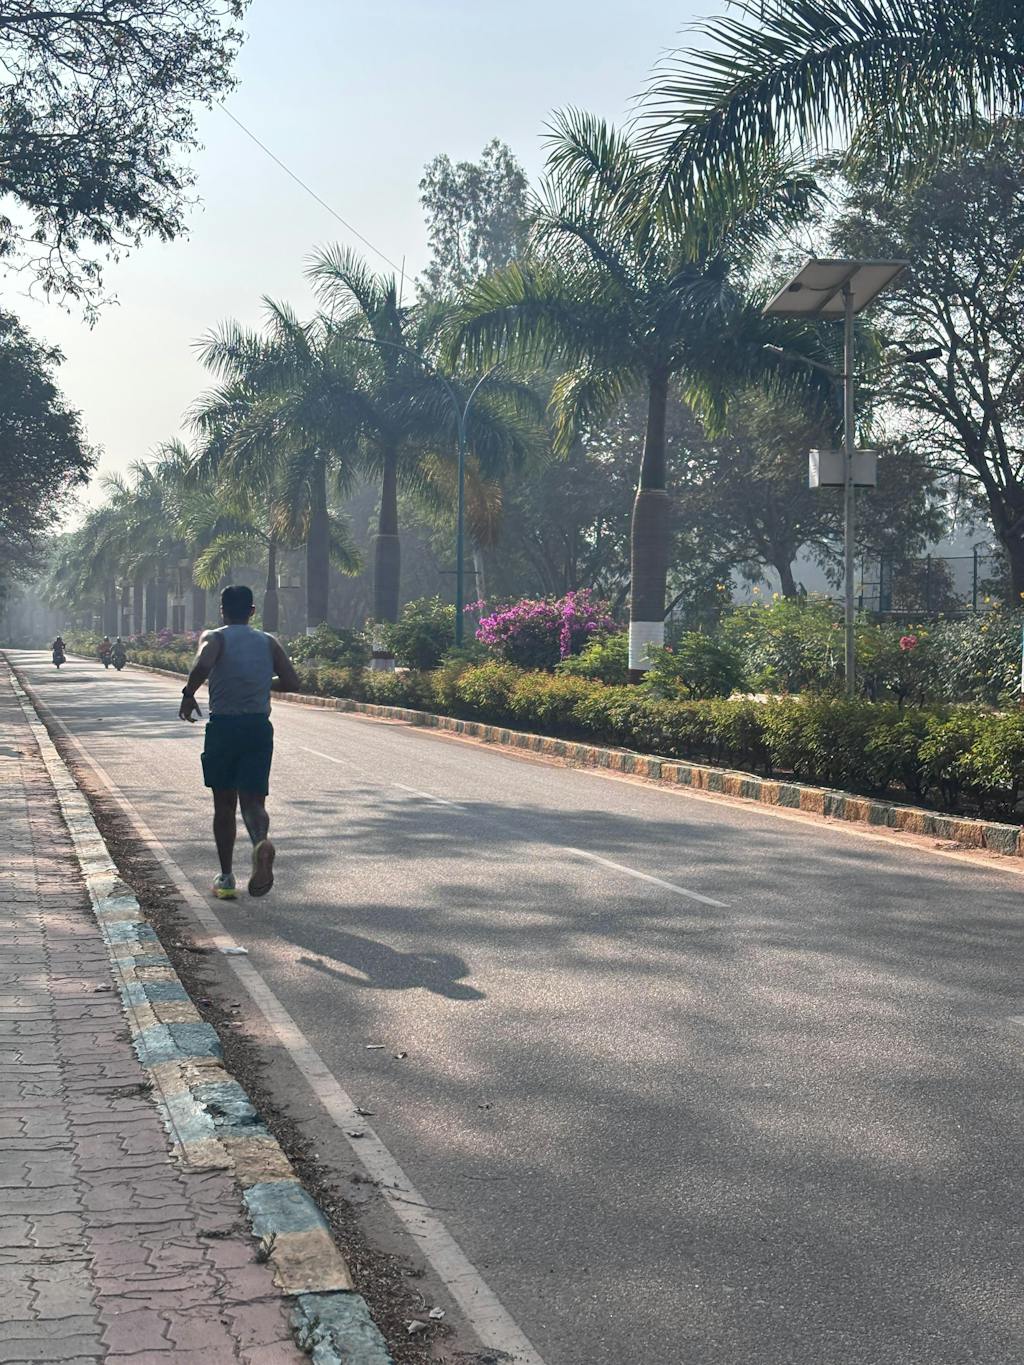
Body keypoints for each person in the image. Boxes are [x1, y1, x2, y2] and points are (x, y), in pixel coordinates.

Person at [178, 585, 300, 901]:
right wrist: (260, 683)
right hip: (258, 728)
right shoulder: (267, 642)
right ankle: (260, 841)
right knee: (254, 801)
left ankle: (227, 877)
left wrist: (188, 694)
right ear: (252, 611)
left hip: (225, 728)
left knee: (224, 804)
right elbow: (292, 681)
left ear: (222, 610)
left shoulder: (215, 637)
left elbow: (203, 665)